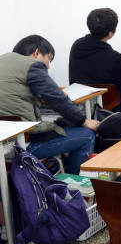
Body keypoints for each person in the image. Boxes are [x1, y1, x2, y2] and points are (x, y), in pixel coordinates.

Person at [0, 35, 99, 175]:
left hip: (3, 141)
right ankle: (75, 188)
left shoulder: (4, 60)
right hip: (20, 145)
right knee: (86, 134)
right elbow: (57, 99)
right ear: (36, 53)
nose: (48, 66)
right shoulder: (31, 65)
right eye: (49, 59)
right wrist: (84, 121)